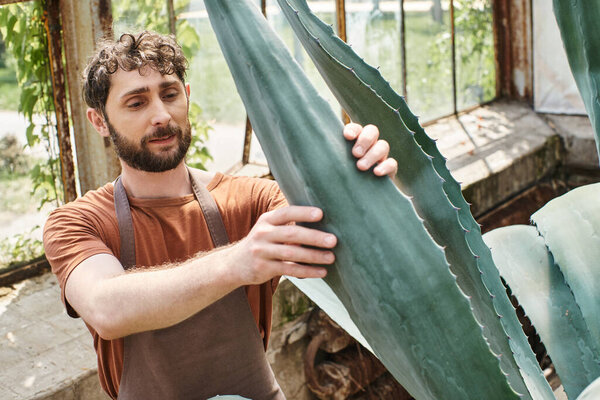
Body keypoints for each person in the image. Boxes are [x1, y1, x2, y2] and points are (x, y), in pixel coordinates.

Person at [43, 31, 398, 400]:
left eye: (170, 94)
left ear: (188, 96)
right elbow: (106, 308)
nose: (162, 115)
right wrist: (239, 261)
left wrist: (363, 179)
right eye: (136, 103)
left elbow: (346, 236)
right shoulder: (77, 222)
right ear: (99, 121)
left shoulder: (251, 199)